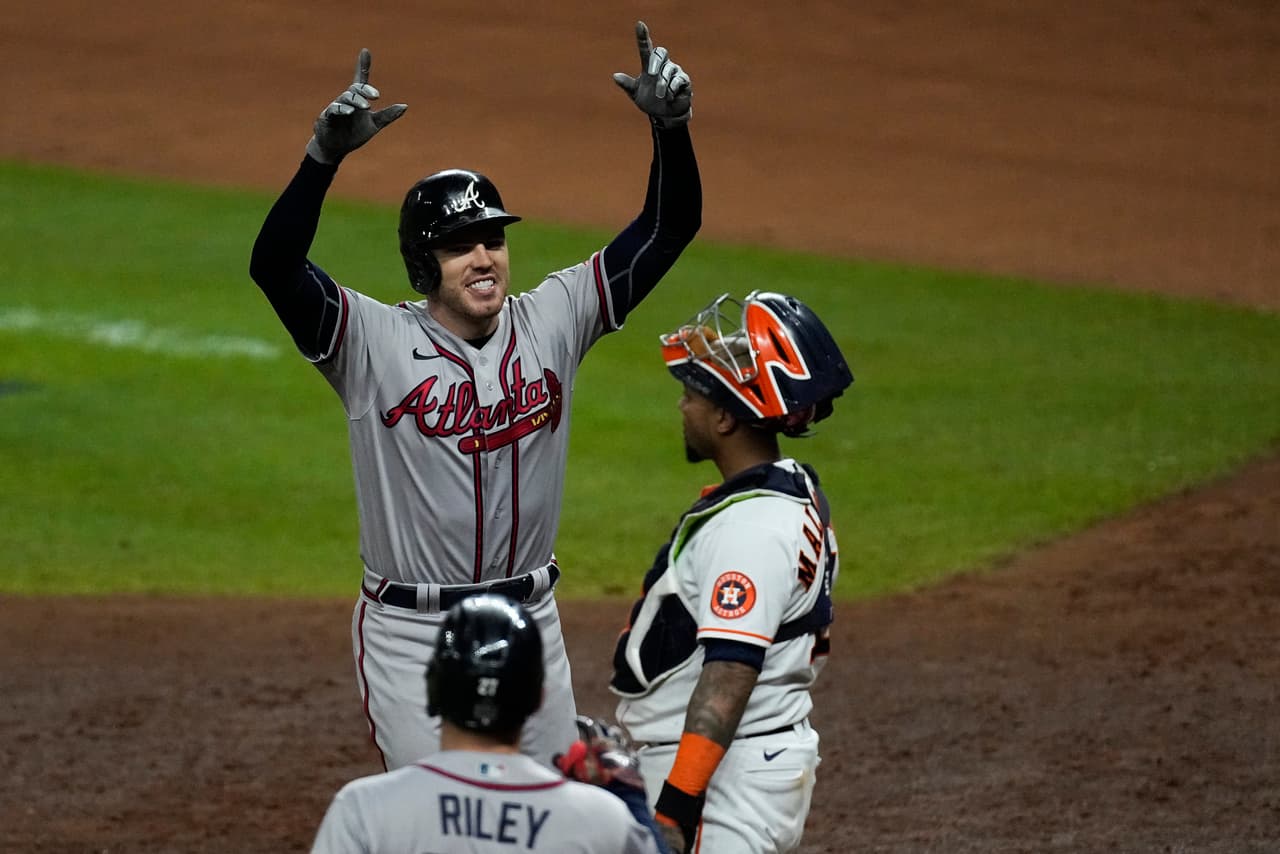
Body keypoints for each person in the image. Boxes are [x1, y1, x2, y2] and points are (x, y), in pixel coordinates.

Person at [248, 21, 700, 771]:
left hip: (530, 618)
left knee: (554, 817)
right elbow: (275, 266)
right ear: (424, 265)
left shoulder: (554, 317)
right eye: (461, 245)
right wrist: (321, 159)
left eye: (493, 238)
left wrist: (672, 129)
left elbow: (668, 226)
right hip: (411, 630)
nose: (485, 256)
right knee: (442, 820)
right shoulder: (369, 343)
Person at [609, 291, 854, 853]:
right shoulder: (786, 487)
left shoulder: (752, 530)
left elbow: (729, 674)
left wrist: (675, 808)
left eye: (691, 394)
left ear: (724, 417)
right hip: (741, 761)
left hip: (722, 778)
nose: (681, 407)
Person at [311, 594, 671, 853]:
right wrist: (633, 805)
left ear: (432, 690)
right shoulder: (601, 818)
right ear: (538, 698)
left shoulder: (364, 809)